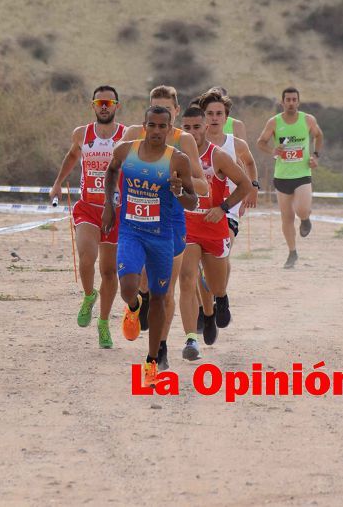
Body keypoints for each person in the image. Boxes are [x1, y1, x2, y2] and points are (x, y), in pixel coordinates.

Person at [103, 106, 198, 388]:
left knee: (160, 298)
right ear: (144, 125)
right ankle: (133, 306)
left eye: (162, 126)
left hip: (161, 236)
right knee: (128, 287)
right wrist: (110, 203)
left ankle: (152, 361)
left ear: (170, 129)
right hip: (132, 230)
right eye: (152, 125)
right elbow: (111, 172)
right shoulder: (125, 151)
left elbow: (192, 203)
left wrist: (179, 191)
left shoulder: (177, 160)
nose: (157, 131)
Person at [120, 85, 207, 371]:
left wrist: (178, 186)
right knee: (139, 282)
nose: (160, 124)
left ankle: (161, 348)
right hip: (136, 221)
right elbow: (119, 169)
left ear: (175, 114)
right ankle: (136, 305)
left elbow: (200, 186)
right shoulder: (132, 135)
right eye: (155, 110)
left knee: (166, 290)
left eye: (167, 112)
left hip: (170, 223)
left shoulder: (186, 142)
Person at [49, 86, 126, 348]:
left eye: (109, 102)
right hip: (87, 206)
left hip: (115, 210)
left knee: (108, 271)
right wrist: (58, 182)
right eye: (99, 102)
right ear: (93, 105)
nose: (104, 106)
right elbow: (72, 156)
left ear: (117, 106)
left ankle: (103, 323)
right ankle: (89, 295)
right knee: (86, 258)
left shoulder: (127, 136)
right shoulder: (82, 133)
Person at [178, 106, 255, 360]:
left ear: (205, 127)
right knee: (187, 278)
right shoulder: (175, 156)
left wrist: (223, 208)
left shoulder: (217, 156)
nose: (192, 132)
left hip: (214, 227)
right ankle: (191, 339)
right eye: (186, 128)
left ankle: (218, 303)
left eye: (196, 127)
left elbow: (244, 185)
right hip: (187, 227)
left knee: (215, 285)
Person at [195, 88, 259, 341]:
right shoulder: (193, 143)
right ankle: (205, 310)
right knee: (199, 264)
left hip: (227, 209)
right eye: (209, 113)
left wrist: (253, 187)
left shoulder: (235, 144)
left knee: (220, 254)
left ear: (226, 116)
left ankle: (220, 298)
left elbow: (250, 163)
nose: (213, 118)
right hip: (197, 210)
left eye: (218, 113)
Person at [256, 87, 324, 269]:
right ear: (282, 102)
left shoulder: (308, 120)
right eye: (288, 100)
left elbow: (319, 136)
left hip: (302, 173)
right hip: (282, 176)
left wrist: (315, 156)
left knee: (302, 209)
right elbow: (260, 142)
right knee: (286, 218)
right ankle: (292, 252)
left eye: (294, 99)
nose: (291, 103)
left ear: (298, 102)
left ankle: (305, 219)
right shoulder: (274, 122)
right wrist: (273, 150)